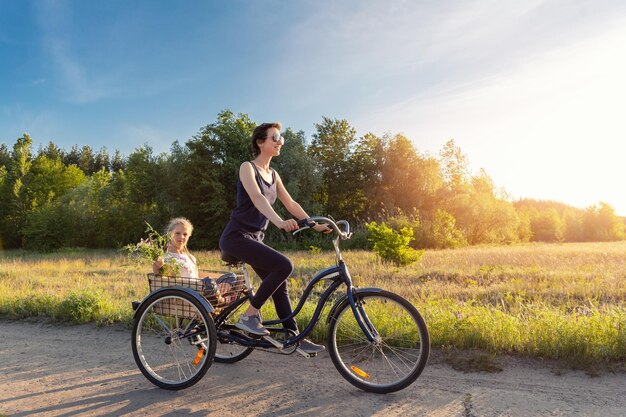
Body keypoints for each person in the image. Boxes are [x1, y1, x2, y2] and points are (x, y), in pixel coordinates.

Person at [219, 122, 330, 354]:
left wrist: (314, 224)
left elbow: (291, 203)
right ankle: (250, 316)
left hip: (254, 238)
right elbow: (258, 198)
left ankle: (294, 338)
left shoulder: (274, 174)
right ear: (261, 142)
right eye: (275, 137)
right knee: (285, 265)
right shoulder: (247, 168)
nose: (280, 142)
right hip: (236, 237)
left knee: (280, 284)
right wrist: (279, 222)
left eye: (281, 138)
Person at [153, 217, 234, 299]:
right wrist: (159, 267)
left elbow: (196, 276)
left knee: (231, 277)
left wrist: (217, 279)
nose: (181, 237)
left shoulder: (190, 257)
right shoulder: (165, 258)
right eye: (177, 233)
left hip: (199, 289)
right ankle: (221, 301)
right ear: (170, 234)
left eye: (185, 234)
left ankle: (219, 299)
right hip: (186, 294)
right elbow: (165, 280)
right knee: (208, 282)